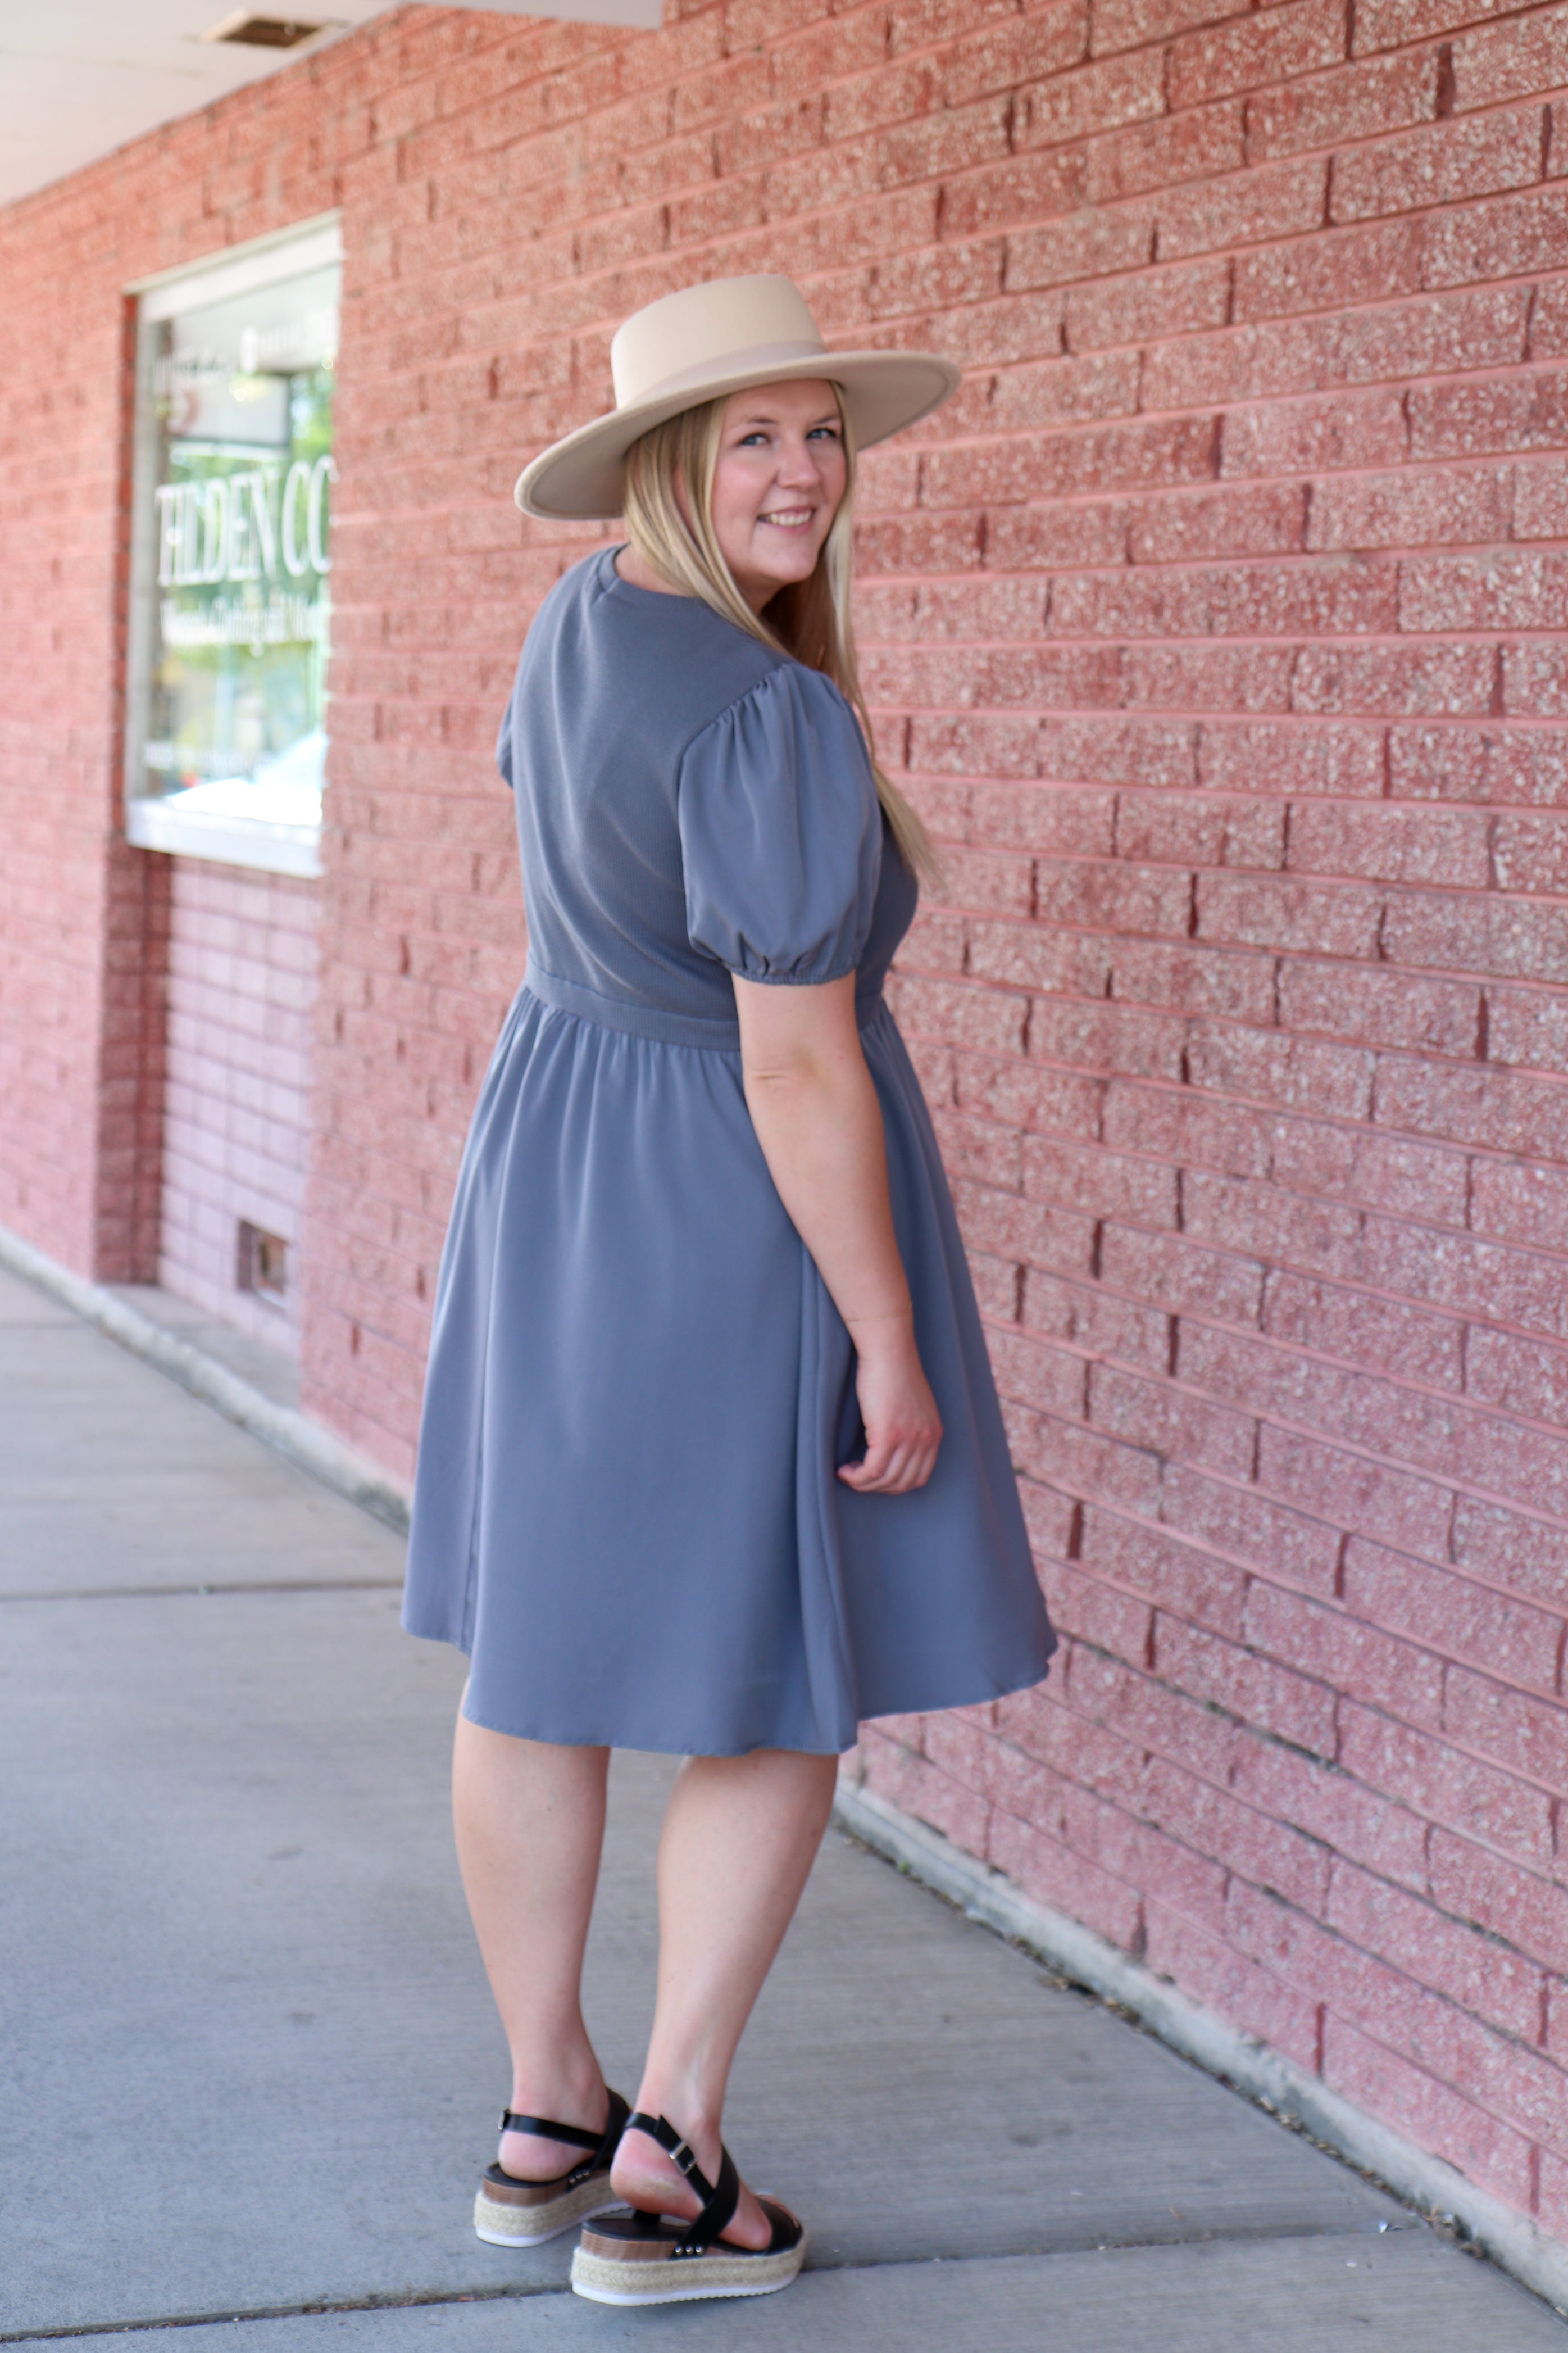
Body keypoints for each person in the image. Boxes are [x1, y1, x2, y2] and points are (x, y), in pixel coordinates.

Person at [401, 273, 1056, 2308]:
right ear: (670, 466)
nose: (801, 473)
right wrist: (885, 1324)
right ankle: (670, 2162)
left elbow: (578, 874)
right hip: (719, 1192)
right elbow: (792, 1057)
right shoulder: (770, 706)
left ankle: (545, 2114)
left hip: (555, 1165)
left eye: (822, 433)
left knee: (544, 1655)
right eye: (751, 436)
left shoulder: (583, 622)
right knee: (769, 1665)